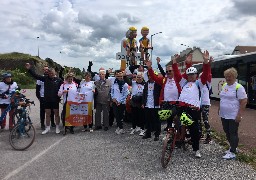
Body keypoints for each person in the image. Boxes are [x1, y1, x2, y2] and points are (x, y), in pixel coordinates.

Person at [172, 51, 210, 158]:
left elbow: (206, 74)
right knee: (174, 118)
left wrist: (206, 62)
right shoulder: (183, 83)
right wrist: (175, 62)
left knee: (194, 130)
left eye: (193, 74)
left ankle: (196, 149)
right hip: (182, 107)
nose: (190, 76)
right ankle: (178, 138)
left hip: (193, 109)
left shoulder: (199, 84)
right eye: (189, 75)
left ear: (196, 75)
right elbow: (177, 74)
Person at [25, 63, 63, 134]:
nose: (51, 74)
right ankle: (47, 128)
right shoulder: (45, 78)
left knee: (56, 114)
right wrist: (29, 69)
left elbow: (65, 86)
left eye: (52, 73)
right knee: (47, 114)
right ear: (48, 73)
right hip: (47, 100)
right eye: (50, 73)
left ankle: (57, 127)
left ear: (55, 73)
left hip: (55, 100)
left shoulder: (59, 80)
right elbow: (36, 76)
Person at [219, 67, 247, 160]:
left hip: (233, 115)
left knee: (233, 132)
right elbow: (222, 98)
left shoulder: (238, 87)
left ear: (235, 76)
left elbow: (243, 101)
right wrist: (219, 108)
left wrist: (239, 115)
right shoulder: (224, 86)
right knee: (227, 131)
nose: (227, 78)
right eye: (226, 76)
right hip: (224, 114)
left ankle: (233, 152)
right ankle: (232, 147)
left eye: (230, 76)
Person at [142, 69, 162, 141]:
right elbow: (144, 94)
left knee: (156, 120)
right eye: (149, 76)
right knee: (148, 120)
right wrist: (143, 103)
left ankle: (157, 134)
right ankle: (148, 133)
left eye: (152, 76)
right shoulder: (146, 84)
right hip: (147, 105)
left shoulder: (158, 84)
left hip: (155, 105)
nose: (151, 77)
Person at [198, 56, 213, 144]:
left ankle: (209, 136)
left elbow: (208, 73)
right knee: (198, 120)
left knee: (205, 120)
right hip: (198, 104)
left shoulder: (208, 83)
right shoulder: (198, 84)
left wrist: (209, 63)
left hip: (205, 103)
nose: (200, 79)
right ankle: (200, 134)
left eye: (201, 77)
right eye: (199, 77)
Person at [36, 65, 55, 130]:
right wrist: (39, 98)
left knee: (52, 110)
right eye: (45, 70)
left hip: (51, 97)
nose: (46, 71)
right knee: (42, 111)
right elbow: (37, 89)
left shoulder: (52, 77)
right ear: (43, 70)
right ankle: (42, 124)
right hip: (43, 97)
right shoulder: (40, 78)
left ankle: (52, 122)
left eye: (47, 69)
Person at [111, 70, 129, 134]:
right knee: (116, 115)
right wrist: (113, 98)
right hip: (115, 102)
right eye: (118, 76)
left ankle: (121, 128)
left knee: (120, 116)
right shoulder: (114, 84)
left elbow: (126, 94)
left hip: (121, 102)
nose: (119, 77)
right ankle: (119, 127)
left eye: (121, 76)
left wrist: (120, 101)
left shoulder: (125, 85)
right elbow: (112, 92)